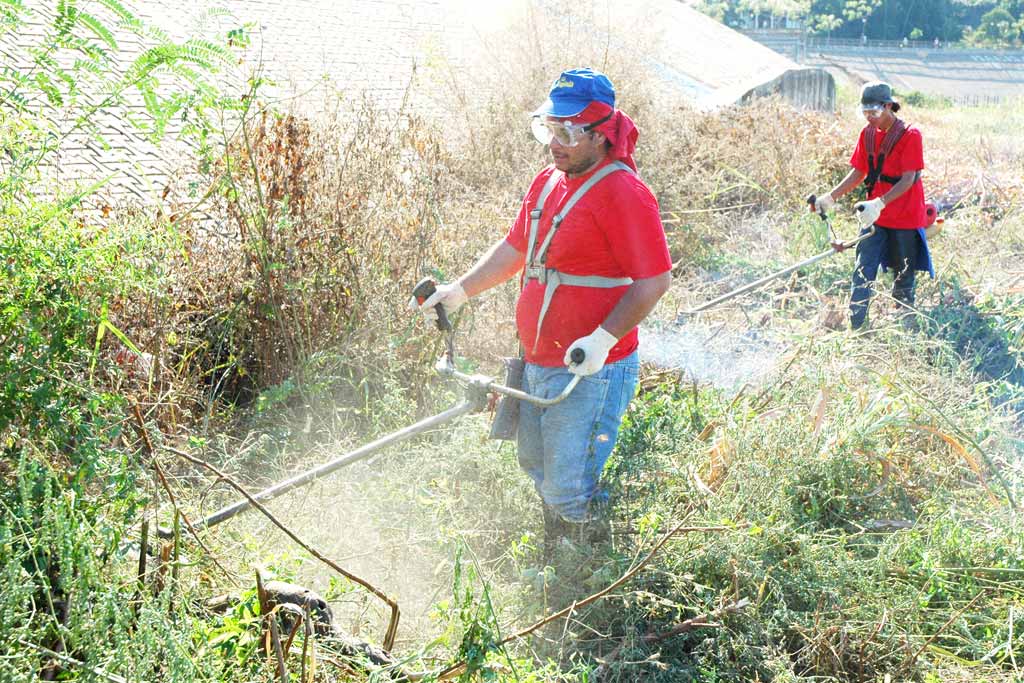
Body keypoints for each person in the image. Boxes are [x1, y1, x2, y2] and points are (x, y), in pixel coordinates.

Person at [412, 67, 671, 555]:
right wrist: (459, 291)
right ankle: (568, 552)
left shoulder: (623, 193)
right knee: (536, 464)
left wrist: (601, 340)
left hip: (591, 369)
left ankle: (579, 577)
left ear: (602, 133)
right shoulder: (550, 181)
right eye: (550, 128)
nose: (556, 142)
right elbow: (516, 248)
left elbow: (654, 280)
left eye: (568, 132)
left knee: (567, 484)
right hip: (538, 360)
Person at [811, 81, 933, 330]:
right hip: (873, 217)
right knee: (862, 270)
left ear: (888, 106)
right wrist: (830, 197)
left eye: (874, 112)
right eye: (864, 112)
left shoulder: (910, 135)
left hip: (904, 216)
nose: (869, 118)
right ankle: (856, 329)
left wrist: (880, 202)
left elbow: (909, 178)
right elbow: (859, 171)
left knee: (903, 273)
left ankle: (904, 326)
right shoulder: (867, 134)